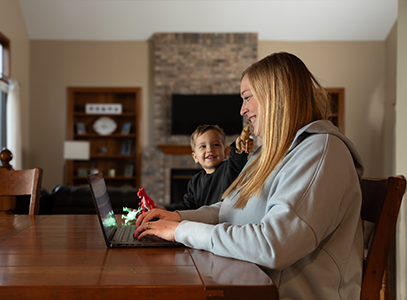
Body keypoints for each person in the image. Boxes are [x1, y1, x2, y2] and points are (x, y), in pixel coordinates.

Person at [135, 52, 364, 300]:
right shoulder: (269, 152)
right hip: (249, 283)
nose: (242, 109)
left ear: (274, 95)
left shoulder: (319, 152)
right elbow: (230, 209)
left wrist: (181, 231)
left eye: (247, 97)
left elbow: (273, 245)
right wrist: (177, 218)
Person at [164, 124, 250, 211]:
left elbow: (237, 161)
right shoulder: (195, 181)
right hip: (203, 221)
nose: (209, 150)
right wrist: (165, 210)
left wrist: (239, 148)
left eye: (216, 145)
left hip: (222, 220)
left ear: (225, 152)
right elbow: (187, 207)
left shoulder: (229, 169)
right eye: (203, 146)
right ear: (195, 157)